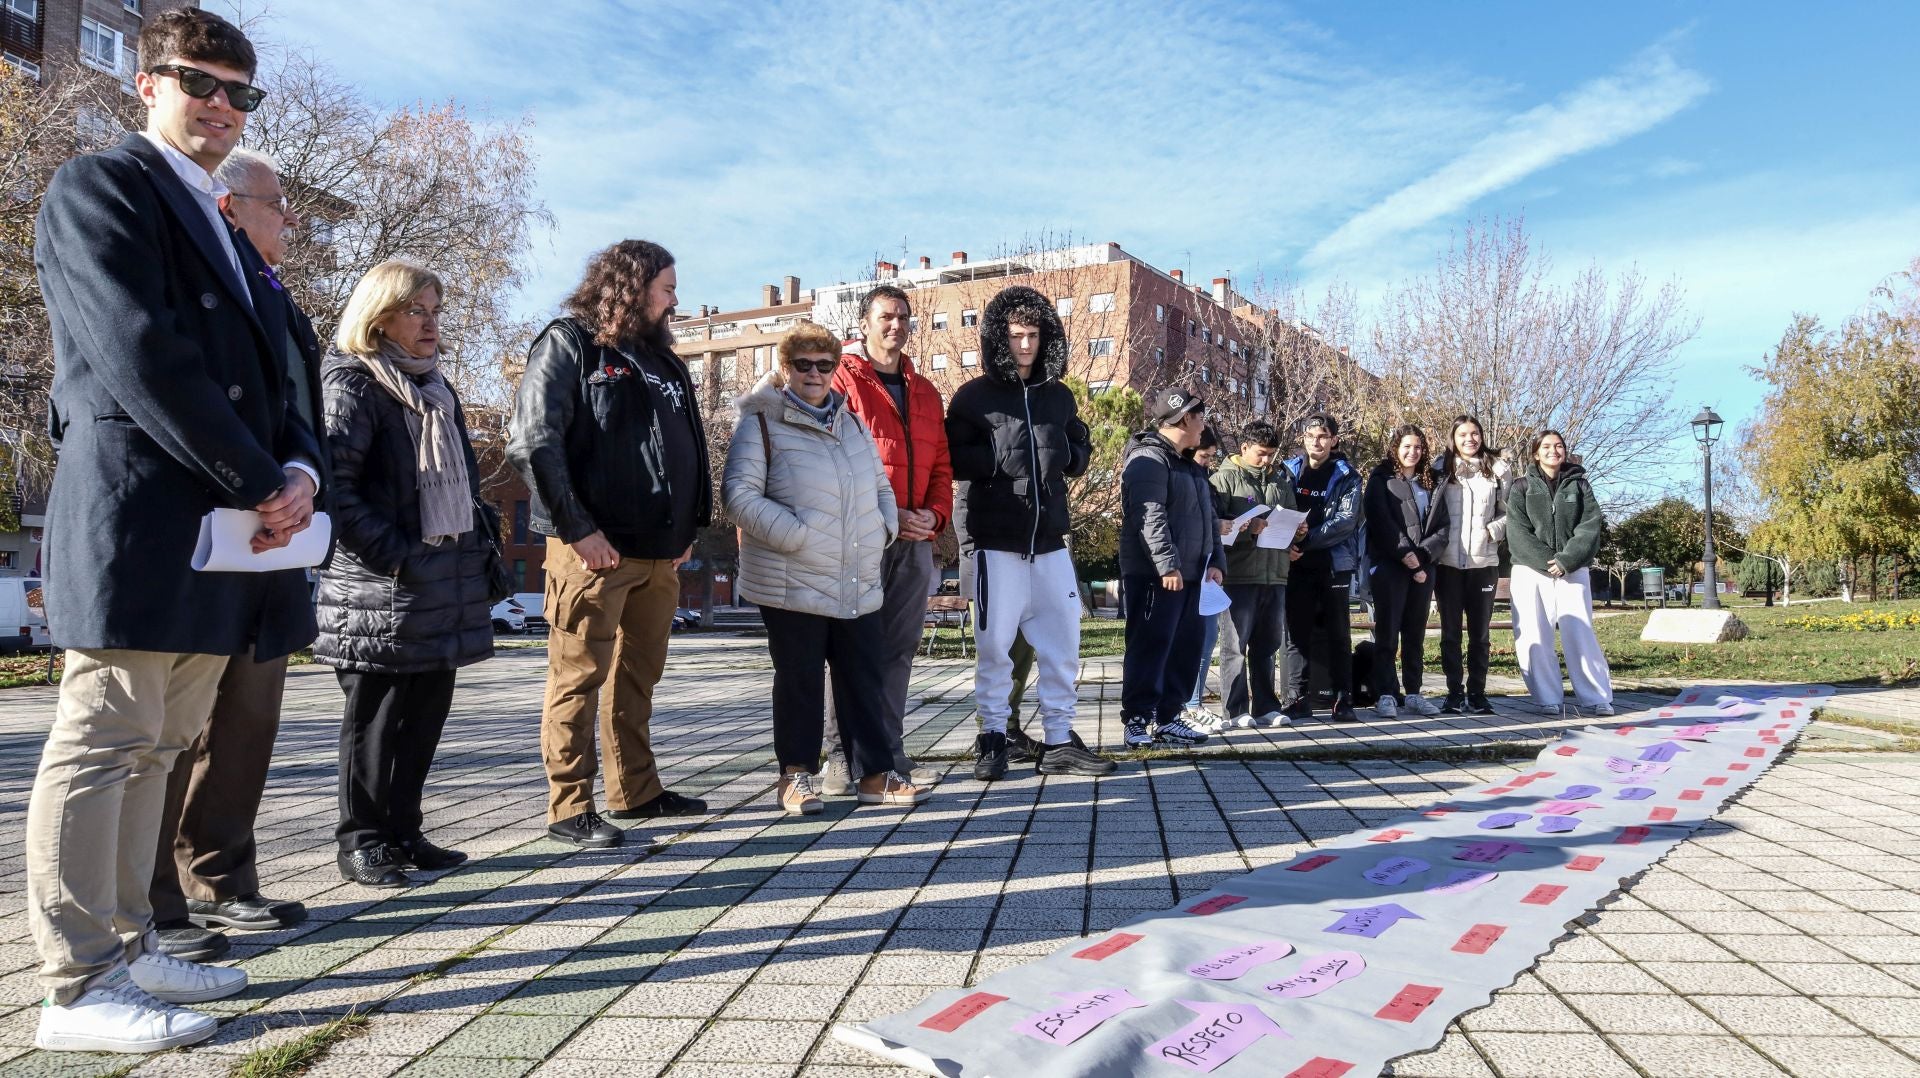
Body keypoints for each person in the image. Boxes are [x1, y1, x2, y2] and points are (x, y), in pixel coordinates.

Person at [26, 8, 318, 1052]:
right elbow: (141, 352)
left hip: (221, 526)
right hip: (140, 511)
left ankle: (132, 934)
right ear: (146, 84)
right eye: (201, 82)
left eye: (242, 93)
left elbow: (278, 372)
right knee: (103, 737)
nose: (222, 107)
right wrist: (256, 473)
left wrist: (296, 470)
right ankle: (72, 985)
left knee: (162, 743)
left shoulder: (224, 222)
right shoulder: (103, 186)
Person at [148, 147, 330, 961]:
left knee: (249, 720)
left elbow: (301, 414)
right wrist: (260, 483)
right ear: (228, 207)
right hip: (214, 529)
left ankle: (223, 879)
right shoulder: (196, 288)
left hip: (277, 539)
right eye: (275, 203)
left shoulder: (284, 305)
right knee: (173, 727)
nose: (289, 217)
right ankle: (157, 903)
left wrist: (302, 478)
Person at [509, 241, 712, 850]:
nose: (675, 299)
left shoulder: (661, 358)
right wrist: (577, 529)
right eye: (667, 287)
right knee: (577, 677)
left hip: (659, 554)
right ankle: (569, 808)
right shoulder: (571, 343)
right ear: (631, 284)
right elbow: (535, 442)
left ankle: (636, 791)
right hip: (593, 549)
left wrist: (689, 529)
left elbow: (688, 449)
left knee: (637, 678)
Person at [314, 261, 493, 887]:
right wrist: (397, 555)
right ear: (379, 314)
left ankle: (405, 830)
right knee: (375, 721)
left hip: (437, 586)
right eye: (417, 310)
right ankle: (362, 840)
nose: (430, 323)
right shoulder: (353, 383)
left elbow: (462, 486)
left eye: (436, 311)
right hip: (378, 588)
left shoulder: (438, 389)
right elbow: (336, 491)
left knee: (424, 717)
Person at [724, 322, 927, 812]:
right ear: (784, 367)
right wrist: (796, 535)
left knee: (864, 676)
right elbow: (739, 496)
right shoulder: (761, 423)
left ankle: (876, 773)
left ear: (836, 369)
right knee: (801, 680)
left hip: (854, 573)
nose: (814, 374)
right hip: (792, 577)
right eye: (802, 364)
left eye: (824, 364)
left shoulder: (851, 423)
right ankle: (795, 776)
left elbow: (880, 487)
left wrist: (883, 528)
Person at [946, 285, 1113, 780]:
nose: (1025, 345)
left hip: (1050, 542)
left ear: (1047, 339)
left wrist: (1073, 455)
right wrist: (998, 457)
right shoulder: (974, 397)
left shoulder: (1058, 395)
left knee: (1064, 643)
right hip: (996, 542)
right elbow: (952, 457)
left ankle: (1060, 739)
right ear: (1000, 336)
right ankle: (993, 738)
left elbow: (1077, 447)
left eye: (1034, 335)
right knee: (995, 648)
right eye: (1016, 335)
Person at [821, 286, 952, 793]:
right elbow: (831, 460)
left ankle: (889, 755)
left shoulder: (925, 391)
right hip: (860, 536)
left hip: (915, 540)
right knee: (850, 647)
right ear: (865, 323)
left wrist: (935, 516)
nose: (895, 325)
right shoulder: (842, 380)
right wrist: (886, 512)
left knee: (899, 648)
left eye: (903, 317)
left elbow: (941, 464)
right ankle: (839, 756)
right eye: (885, 317)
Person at [1118, 386, 1225, 748]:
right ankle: (1137, 719)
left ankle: (1168, 717)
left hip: (1194, 575)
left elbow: (1209, 518)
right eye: (1199, 417)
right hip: (1156, 576)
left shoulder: (1189, 463)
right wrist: (1167, 566)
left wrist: (1216, 563)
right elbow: (1149, 516)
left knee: (1185, 646)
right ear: (1183, 419)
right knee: (1151, 645)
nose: (1203, 424)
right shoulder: (1148, 459)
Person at [1505, 429, 1613, 716]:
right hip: (1531, 572)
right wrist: (1547, 561)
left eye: (1559, 446)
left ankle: (1596, 696)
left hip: (1572, 570)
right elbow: (1517, 532)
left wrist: (1566, 560)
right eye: (1547, 446)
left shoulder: (1580, 487)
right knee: (1533, 634)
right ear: (1536, 453)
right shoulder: (1520, 487)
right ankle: (1547, 698)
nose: (1554, 450)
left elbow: (1590, 526)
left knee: (1580, 632)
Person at [1208, 420, 1307, 731]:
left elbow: (1290, 520)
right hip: (1239, 575)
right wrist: (1245, 530)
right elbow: (1215, 528)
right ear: (1244, 448)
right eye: (1261, 454)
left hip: (1275, 574)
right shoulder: (1222, 481)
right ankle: (1235, 710)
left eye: (1272, 455)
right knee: (1235, 646)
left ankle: (1266, 706)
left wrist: (1298, 534)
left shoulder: (1280, 482)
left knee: (1267, 645)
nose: (1267, 461)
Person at [1364, 424, 1450, 719]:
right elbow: (1381, 522)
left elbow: (1442, 527)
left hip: (1425, 568)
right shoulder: (1380, 480)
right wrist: (1407, 557)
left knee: (1415, 633)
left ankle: (1413, 692)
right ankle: (1386, 693)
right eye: (1407, 446)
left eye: (1418, 447)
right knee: (1387, 632)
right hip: (1390, 565)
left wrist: (1423, 557)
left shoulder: (1432, 482)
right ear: (1395, 448)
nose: (1413, 452)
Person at [1281, 414, 1362, 723]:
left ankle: (1343, 699)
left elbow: (1345, 521)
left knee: (1339, 634)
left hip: (1332, 565)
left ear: (1334, 440)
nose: (1317, 441)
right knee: (1296, 634)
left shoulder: (1347, 476)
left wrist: (1306, 541)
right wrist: (1287, 545)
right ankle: (1296, 698)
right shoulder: (1288, 471)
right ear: (1303, 439)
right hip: (1295, 565)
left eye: (1323, 436)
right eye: (1311, 435)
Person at [1433, 415, 1509, 715]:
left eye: (1475, 433)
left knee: (1479, 634)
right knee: (1450, 633)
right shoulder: (1441, 467)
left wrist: (1493, 531)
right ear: (1454, 437)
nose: (1470, 439)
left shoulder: (1498, 469)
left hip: (1484, 562)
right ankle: (1454, 692)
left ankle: (1477, 692)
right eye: (1463, 434)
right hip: (1448, 563)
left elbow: (1510, 512)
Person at [1179, 427, 1226, 730]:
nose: (1208, 462)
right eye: (1204, 456)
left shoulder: (1204, 482)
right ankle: (1184, 707)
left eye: (1212, 457)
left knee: (1207, 638)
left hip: (1206, 570)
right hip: (1181, 571)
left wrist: (1218, 562)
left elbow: (1211, 527)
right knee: (1188, 641)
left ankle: (1193, 704)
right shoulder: (1179, 477)